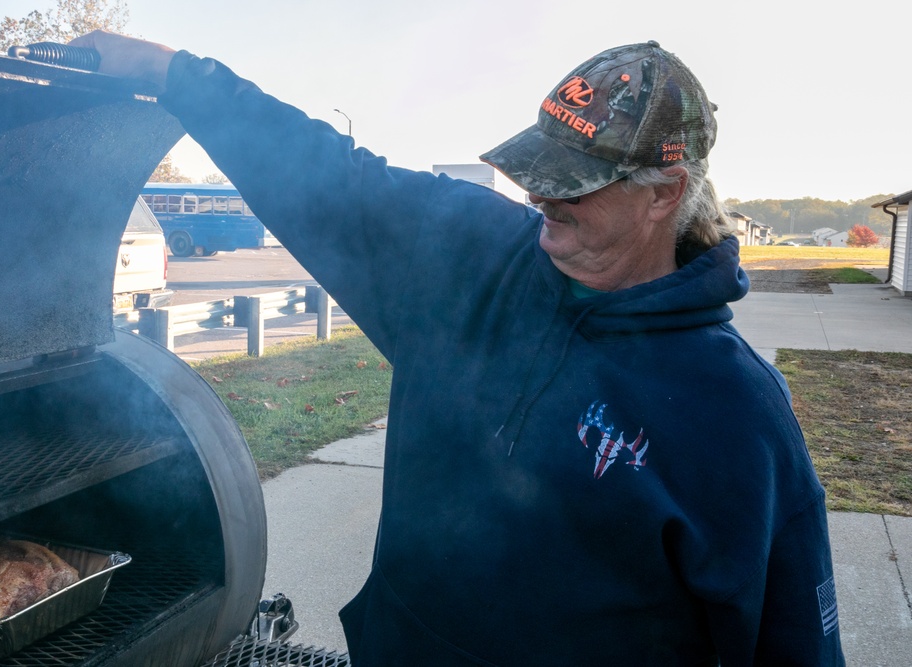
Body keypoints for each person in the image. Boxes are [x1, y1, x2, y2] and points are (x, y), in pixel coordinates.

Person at [71, 32, 845, 665]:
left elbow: (793, 645)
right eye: (540, 165)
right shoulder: (470, 256)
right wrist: (181, 77)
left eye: (571, 181)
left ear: (663, 195)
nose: (540, 193)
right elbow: (332, 178)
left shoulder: (736, 415)